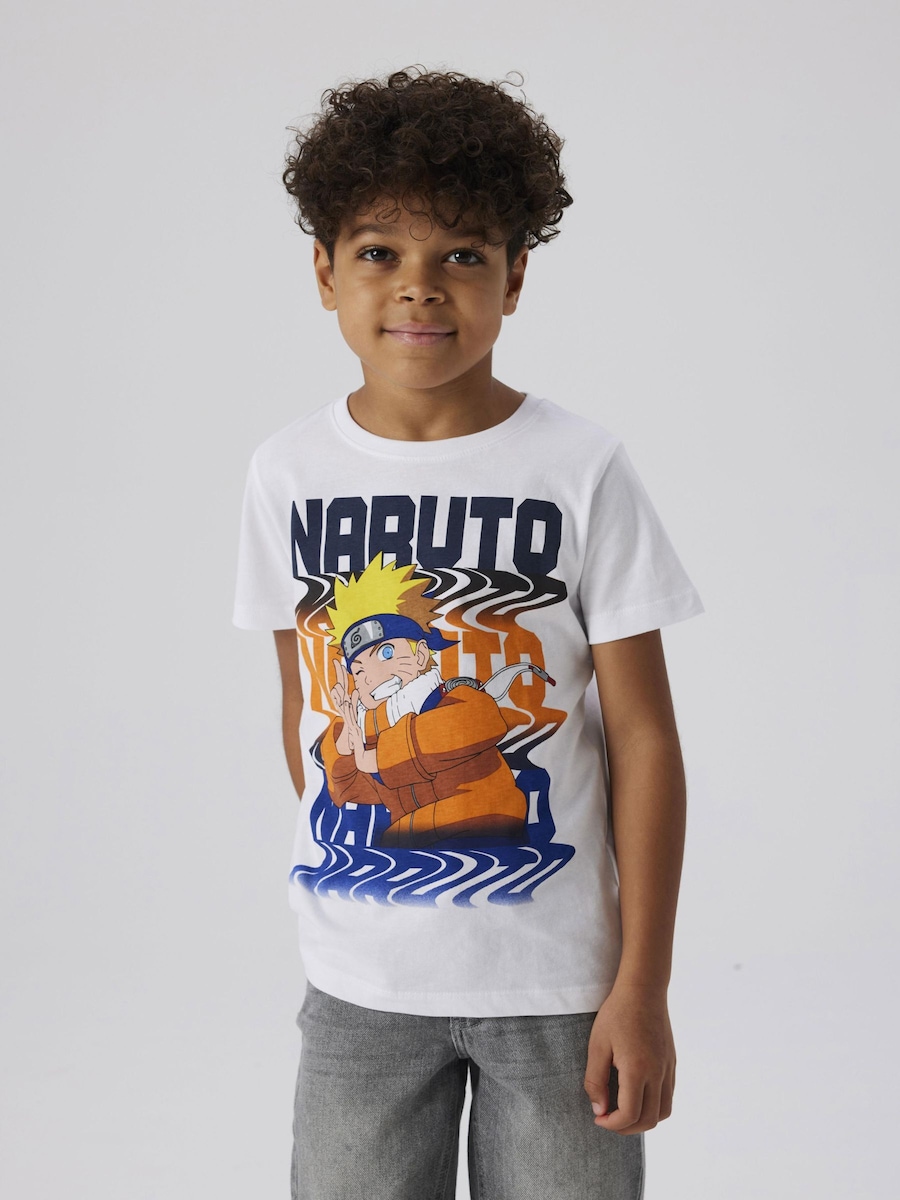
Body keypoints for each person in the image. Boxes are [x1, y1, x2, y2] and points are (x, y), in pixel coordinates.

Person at [234, 66, 703, 1200]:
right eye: (379, 251)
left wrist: (641, 987)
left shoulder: (579, 468)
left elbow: (643, 739)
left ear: (515, 277)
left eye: (462, 254)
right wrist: (357, 815)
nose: (420, 286)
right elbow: (302, 712)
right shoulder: (286, 473)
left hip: (558, 989)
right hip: (359, 988)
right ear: (324, 273)